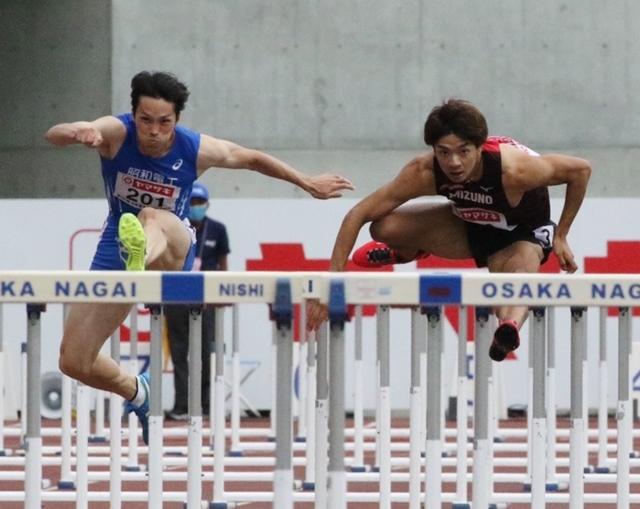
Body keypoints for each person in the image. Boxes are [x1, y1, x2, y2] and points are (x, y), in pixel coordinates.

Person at [46, 70, 353, 444]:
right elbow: (57, 133)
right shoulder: (115, 133)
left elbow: (251, 158)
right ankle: (139, 392)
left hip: (174, 242)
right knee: (74, 361)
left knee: (151, 217)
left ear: (177, 119)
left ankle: (139, 254)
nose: (155, 131)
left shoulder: (195, 148)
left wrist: (306, 181)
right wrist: (79, 132)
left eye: (165, 122)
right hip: (117, 243)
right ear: (133, 115)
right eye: (146, 121)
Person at [306, 98, 591, 361]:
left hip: (521, 233)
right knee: (383, 226)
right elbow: (358, 214)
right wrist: (332, 285)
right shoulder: (426, 172)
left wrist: (562, 234)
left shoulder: (515, 170)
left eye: (463, 152)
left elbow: (580, 170)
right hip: (469, 224)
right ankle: (410, 250)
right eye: (444, 152)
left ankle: (508, 329)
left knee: (517, 279)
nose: (453, 163)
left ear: (480, 147)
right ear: (434, 150)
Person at [164, 182, 229, 421]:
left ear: (207, 204)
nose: (196, 207)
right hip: (177, 296)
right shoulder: (174, 228)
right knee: (179, 352)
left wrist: (220, 293)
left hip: (206, 299)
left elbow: (223, 264)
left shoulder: (218, 230)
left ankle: (205, 403)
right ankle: (182, 404)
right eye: (192, 202)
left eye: (200, 203)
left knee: (204, 353)